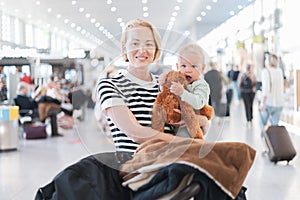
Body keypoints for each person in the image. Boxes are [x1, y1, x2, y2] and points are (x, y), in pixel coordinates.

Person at [96, 18, 208, 153]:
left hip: (175, 161)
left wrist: (202, 121)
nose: (142, 50)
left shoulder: (167, 85)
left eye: (148, 44)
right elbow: (135, 133)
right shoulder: (110, 85)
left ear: (156, 49)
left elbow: (186, 117)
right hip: (137, 167)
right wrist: (187, 143)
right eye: (135, 43)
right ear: (125, 48)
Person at [169, 43, 210, 137]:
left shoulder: (201, 85)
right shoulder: (178, 81)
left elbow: (198, 103)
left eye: (194, 66)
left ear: (202, 68)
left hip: (193, 129)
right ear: (177, 66)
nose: (188, 70)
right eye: (183, 66)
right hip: (177, 126)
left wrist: (182, 93)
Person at [259, 53, 284, 133]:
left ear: (268, 61)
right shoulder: (279, 71)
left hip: (268, 103)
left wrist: (263, 103)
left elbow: (266, 89)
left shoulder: (266, 71)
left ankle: (265, 140)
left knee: (262, 123)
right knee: (275, 127)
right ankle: (273, 143)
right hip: (279, 103)